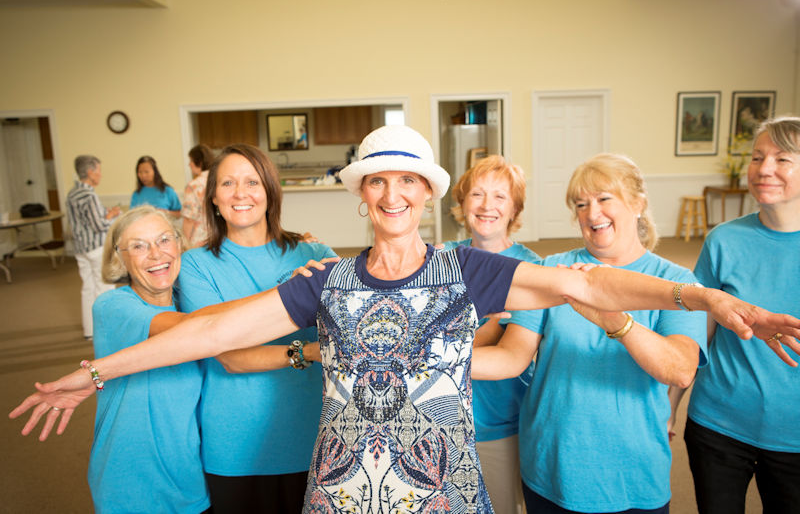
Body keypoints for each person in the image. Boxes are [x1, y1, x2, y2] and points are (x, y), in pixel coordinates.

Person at [11, 126, 800, 514]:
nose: (392, 196)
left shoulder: (471, 271)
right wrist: (93, 372)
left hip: (440, 488)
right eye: (378, 183)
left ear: (427, 194)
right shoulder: (327, 279)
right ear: (363, 194)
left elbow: (584, 285)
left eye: (408, 183)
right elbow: (210, 333)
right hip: (346, 489)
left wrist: (702, 298)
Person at [472, 153, 709, 514]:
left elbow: (678, 369)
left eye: (603, 199)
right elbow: (510, 357)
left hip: (631, 473)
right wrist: (419, 362)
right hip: (550, 467)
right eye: (581, 204)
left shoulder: (677, 282)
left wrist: (614, 320)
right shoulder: (552, 269)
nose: (591, 213)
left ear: (638, 204)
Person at [176, 143, 337, 513]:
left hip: (314, 436)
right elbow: (229, 357)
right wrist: (290, 300)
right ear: (213, 198)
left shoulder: (315, 255)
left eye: (252, 182)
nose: (240, 193)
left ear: (269, 192)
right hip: (237, 445)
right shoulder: (195, 266)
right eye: (228, 183)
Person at [670, 116, 800, 514]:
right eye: (758, 157)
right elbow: (698, 335)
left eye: (783, 159)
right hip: (718, 425)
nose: (765, 169)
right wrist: (670, 406)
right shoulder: (723, 239)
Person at [88, 205, 210, 513]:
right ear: (120, 258)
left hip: (188, 479)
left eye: (164, 240)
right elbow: (201, 329)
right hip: (129, 482)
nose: (156, 254)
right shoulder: (113, 307)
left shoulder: (191, 301)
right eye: (139, 246)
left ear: (180, 244)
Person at [444, 155, 540, 514]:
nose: (487, 206)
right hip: (442, 419)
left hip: (500, 422)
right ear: (463, 203)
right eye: (477, 195)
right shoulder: (441, 263)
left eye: (500, 197)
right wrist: (487, 325)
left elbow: (514, 355)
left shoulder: (530, 269)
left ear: (515, 207)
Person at [65, 155, 121, 340]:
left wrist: (106, 214)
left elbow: (84, 222)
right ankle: (107, 330)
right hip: (96, 248)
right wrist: (114, 217)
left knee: (87, 288)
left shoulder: (72, 193)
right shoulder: (89, 195)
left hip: (81, 248)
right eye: (98, 170)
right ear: (90, 172)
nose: (100, 175)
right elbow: (99, 226)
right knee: (105, 287)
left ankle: (90, 331)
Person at [181, 144, 214, 248]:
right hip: (219, 237)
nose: (189, 164)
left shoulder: (194, 186)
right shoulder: (219, 180)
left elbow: (189, 219)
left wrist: (185, 243)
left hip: (199, 240)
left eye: (191, 160)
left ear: (199, 162)